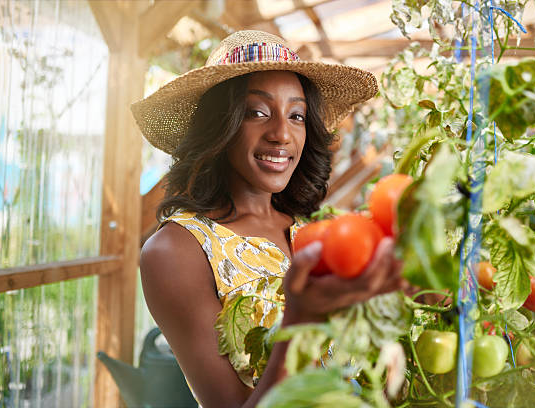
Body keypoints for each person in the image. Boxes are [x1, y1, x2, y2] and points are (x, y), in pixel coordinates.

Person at [131, 30, 406, 408]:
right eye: (257, 112)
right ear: (220, 125)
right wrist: (301, 319)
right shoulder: (176, 250)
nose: (281, 134)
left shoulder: (313, 228)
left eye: (297, 115)